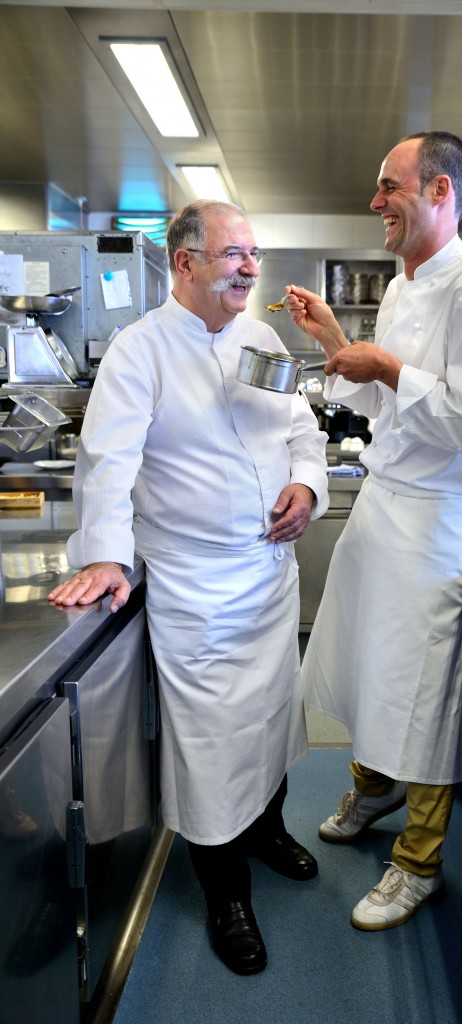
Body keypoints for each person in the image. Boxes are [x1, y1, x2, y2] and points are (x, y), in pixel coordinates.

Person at [47, 199, 330, 976]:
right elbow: (108, 460)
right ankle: (225, 891)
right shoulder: (140, 352)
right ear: (186, 263)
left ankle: (267, 831)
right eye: (233, 253)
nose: (249, 266)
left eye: (254, 253)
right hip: (197, 587)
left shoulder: (264, 338)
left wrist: (307, 486)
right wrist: (105, 553)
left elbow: (302, 428)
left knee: (272, 720)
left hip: (269, 577)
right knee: (210, 746)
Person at [284, 131, 462, 931]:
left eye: (390, 186)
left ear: (440, 193)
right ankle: (376, 786)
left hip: (437, 525)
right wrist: (334, 344)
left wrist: (384, 367)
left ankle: (418, 862)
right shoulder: (398, 287)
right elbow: (392, 409)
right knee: (360, 661)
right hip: (387, 502)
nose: (375, 201)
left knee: (419, 693)